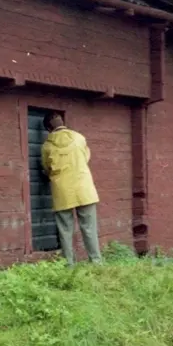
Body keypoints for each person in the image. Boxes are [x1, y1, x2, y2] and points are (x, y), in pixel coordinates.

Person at [40, 111, 103, 265]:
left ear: (48, 128)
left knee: (65, 229)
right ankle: (96, 262)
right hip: (84, 188)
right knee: (89, 228)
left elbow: (47, 168)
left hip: (62, 190)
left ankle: (69, 264)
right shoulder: (79, 138)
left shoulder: (47, 146)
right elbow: (86, 158)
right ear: (63, 123)